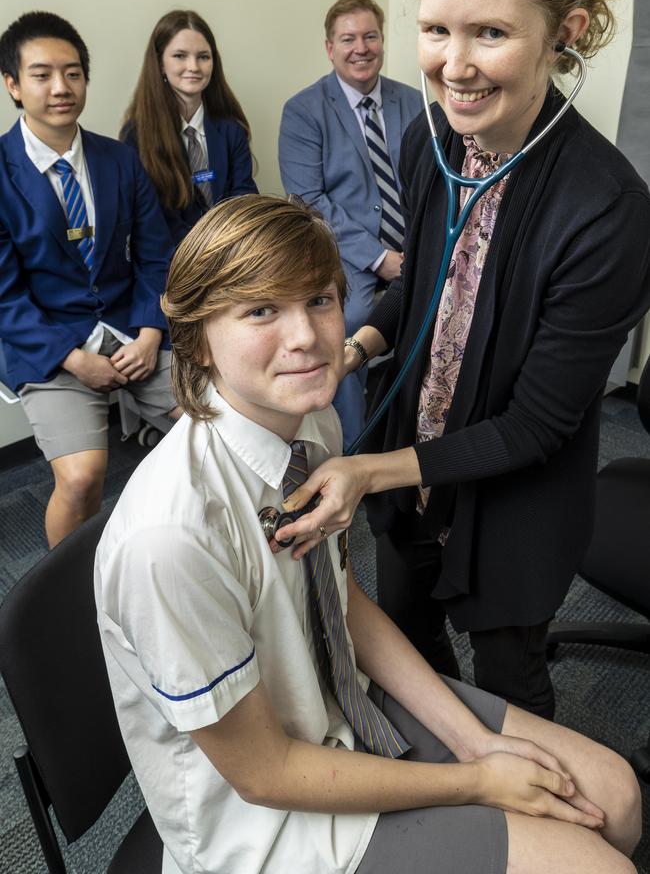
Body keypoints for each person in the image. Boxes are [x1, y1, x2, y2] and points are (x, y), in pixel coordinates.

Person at [95, 193, 640, 874]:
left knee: (615, 795)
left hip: (335, 700)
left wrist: (473, 741)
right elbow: (262, 776)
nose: (306, 337)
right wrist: (476, 780)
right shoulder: (169, 538)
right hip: (268, 819)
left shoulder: (308, 424)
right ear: (198, 337)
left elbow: (341, 598)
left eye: (320, 300)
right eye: (262, 310)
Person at [275, 0, 650, 721]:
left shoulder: (608, 211)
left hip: (511, 509)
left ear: (566, 35)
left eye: (491, 32)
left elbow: (536, 427)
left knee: (508, 689)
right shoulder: (432, 138)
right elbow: (423, 285)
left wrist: (367, 467)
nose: (454, 64)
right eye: (437, 29)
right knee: (410, 656)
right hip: (409, 477)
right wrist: (358, 347)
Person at [0, 11, 178, 548]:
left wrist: (150, 334)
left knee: (215, 424)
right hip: (51, 346)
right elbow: (5, 298)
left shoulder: (119, 160)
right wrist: (75, 360)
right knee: (82, 478)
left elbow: (156, 259)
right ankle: (70, 597)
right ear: (12, 84)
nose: (61, 87)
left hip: (131, 332)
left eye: (73, 73)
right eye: (42, 74)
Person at [279, 0, 420, 449]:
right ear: (329, 48)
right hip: (346, 254)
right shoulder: (303, 110)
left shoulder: (416, 102)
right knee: (347, 327)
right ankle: (351, 447)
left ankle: (421, 429)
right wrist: (379, 258)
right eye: (348, 39)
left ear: (382, 40)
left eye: (370, 36)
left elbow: (433, 182)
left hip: (417, 243)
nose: (361, 48)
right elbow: (308, 200)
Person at [121, 9, 257, 247]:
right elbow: (150, 223)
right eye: (180, 56)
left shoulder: (231, 131)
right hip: (171, 263)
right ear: (160, 63)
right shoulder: (137, 136)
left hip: (231, 256)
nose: (193, 66)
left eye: (203, 56)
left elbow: (244, 203)